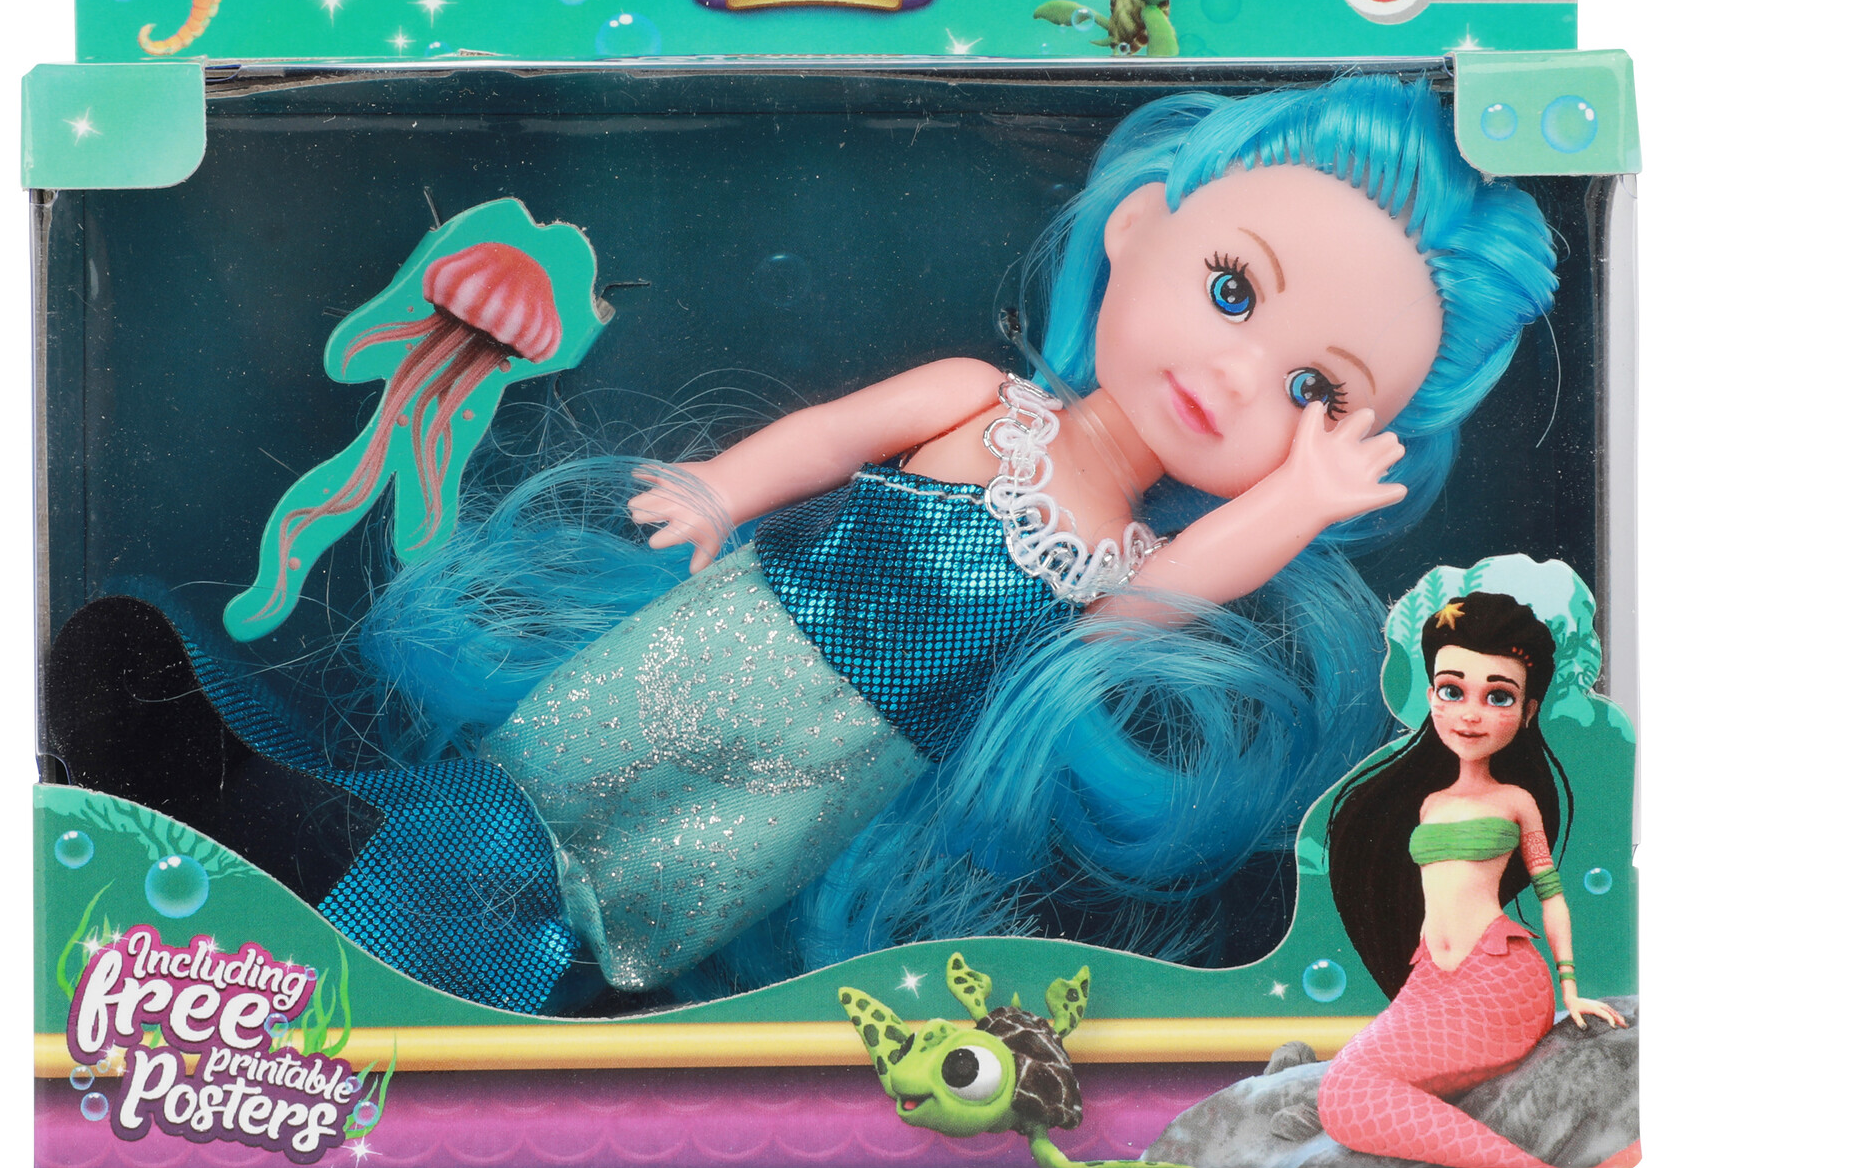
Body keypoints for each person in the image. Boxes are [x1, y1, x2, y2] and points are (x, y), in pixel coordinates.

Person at [328, 73, 1558, 1004]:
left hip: (848, 764)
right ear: (1137, 228)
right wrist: (717, 486)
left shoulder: (1128, 568)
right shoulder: (980, 398)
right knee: (559, 760)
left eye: (1312, 392)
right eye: (1230, 289)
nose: (1237, 375)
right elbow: (830, 434)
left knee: (658, 888)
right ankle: (395, 893)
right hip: (738, 632)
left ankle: (501, 990)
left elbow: (1150, 612)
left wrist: (1296, 500)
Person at [1320, 590, 1626, 1168]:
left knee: (1349, 1093)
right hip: (1432, 980)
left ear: (1528, 712)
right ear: (1430, 695)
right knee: (1344, 1089)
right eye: (1452, 691)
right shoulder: (1429, 803)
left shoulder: (1515, 801)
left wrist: (1569, 989)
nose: (1469, 714)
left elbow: (1551, 895)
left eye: (1498, 697)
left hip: (1498, 978)